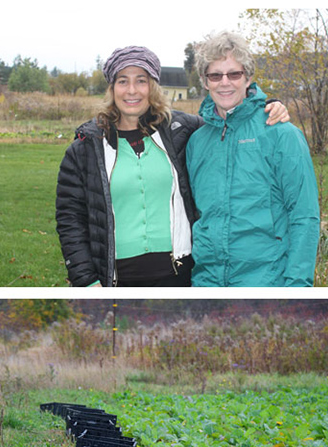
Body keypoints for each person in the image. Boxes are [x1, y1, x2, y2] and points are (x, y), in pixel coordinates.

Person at [55, 45, 289, 287]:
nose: (132, 90)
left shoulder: (182, 130)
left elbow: (228, 121)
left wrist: (265, 107)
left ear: (153, 86)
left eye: (141, 81)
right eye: (123, 81)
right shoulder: (87, 148)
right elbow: (70, 218)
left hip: (179, 275)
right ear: (112, 88)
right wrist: (86, 280)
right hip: (114, 280)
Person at [186, 32, 320, 286]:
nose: (225, 82)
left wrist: (298, 287)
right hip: (207, 284)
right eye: (216, 75)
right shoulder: (197, 142)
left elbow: (305, 216)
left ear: (248, 77)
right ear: (205, 82)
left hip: (266, 282)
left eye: (234, 74)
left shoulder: (281, 134)